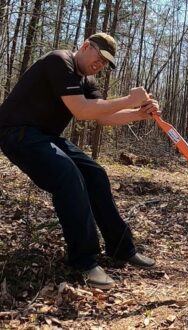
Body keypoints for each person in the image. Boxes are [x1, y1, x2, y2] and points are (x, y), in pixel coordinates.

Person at [0, 32, 159, 289]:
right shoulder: (59, 61)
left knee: (95, 173)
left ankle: (121, 248)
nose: (101, 65)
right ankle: (83, 261)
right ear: (86, 47)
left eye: (106, 63)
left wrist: (140, 114)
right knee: (68, 175)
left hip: (45, 136)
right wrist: (130, 99)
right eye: (100, 57)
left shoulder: (86, 80)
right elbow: (82, 111)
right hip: (16, 132)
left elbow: (103, 116)